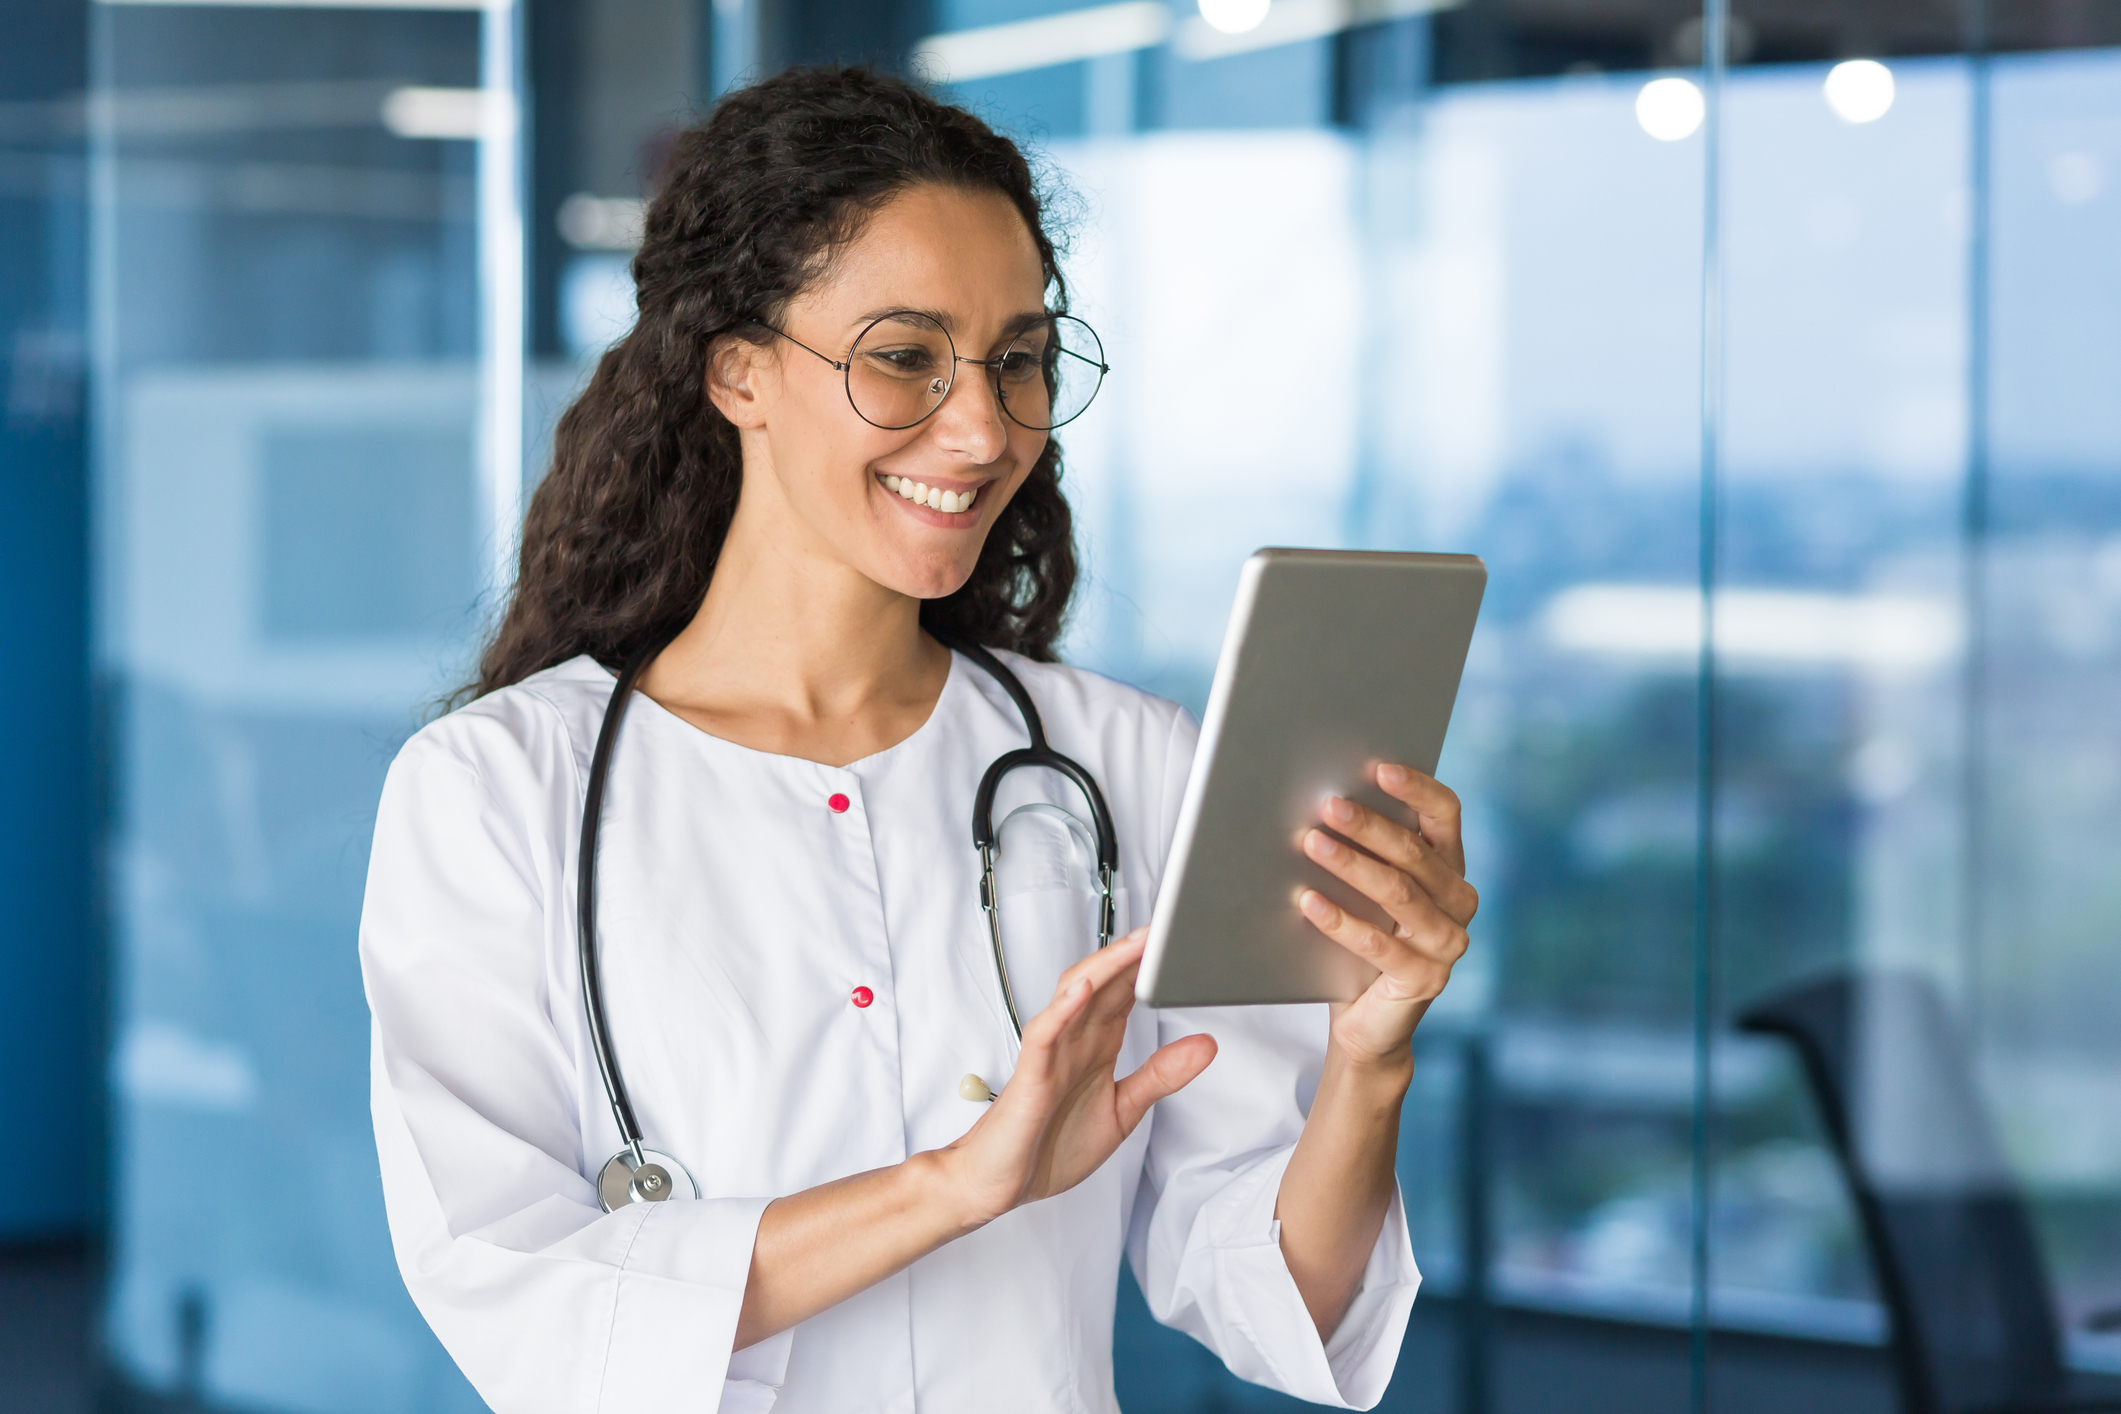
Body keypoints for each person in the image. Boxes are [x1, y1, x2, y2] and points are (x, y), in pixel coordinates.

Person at [359, 65, 1476, 1414]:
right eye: (904, 357)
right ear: (738, 370)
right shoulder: (495, 792)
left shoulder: (1128, 763)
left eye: (1017, 360)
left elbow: (1278, 1296)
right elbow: (520, 1294)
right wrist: (958, 1183)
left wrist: (1369, 1058)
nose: (983, 426)